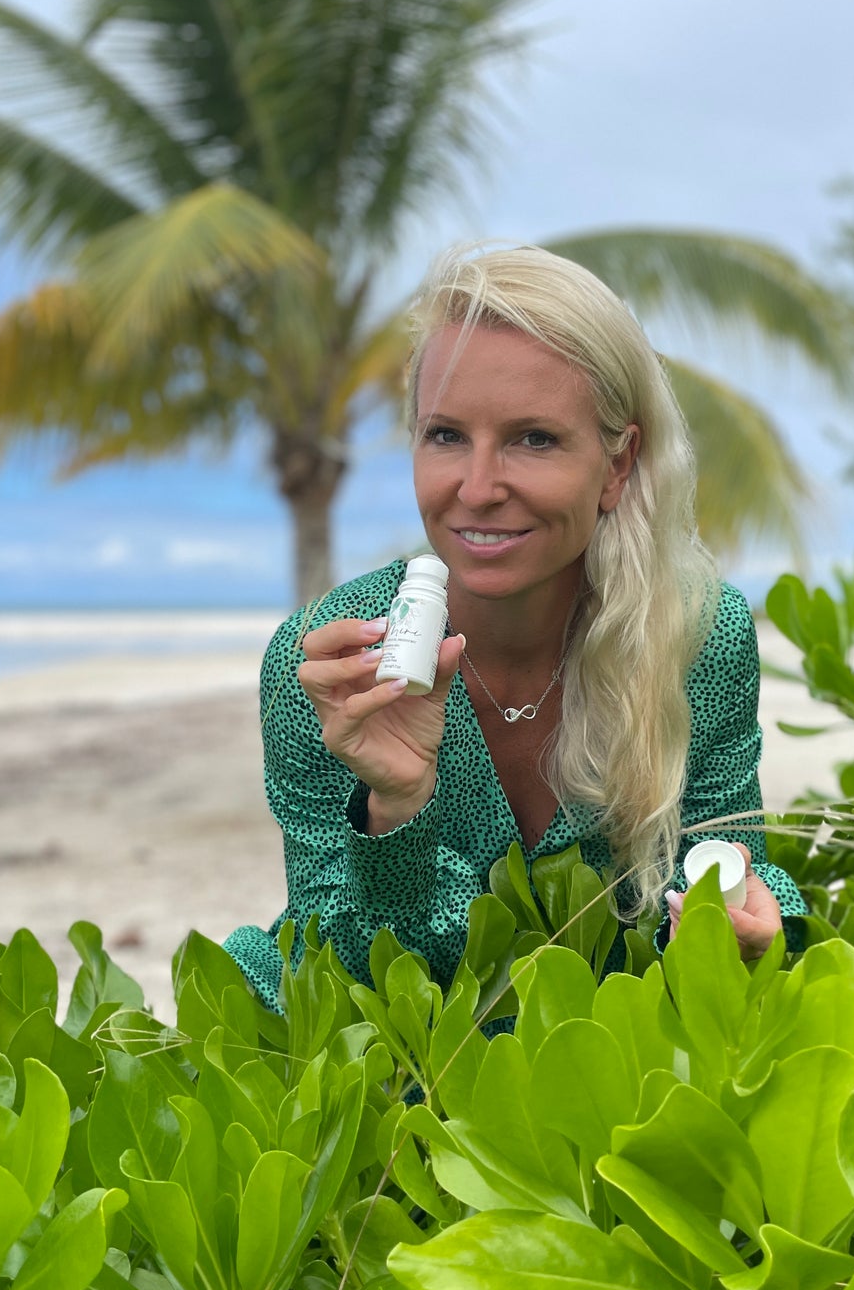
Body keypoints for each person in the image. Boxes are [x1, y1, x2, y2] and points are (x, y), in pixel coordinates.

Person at [225, 245, 806, 1012]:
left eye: (533, 438)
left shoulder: (695, 635)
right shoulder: (335, 662)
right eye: (445, 435)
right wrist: (394, 807)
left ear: (617, 463)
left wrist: (735, 933)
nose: (477, 487)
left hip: (602, 1050)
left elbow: (722, 865)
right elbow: (356, 988)